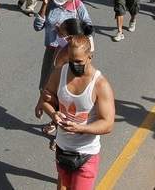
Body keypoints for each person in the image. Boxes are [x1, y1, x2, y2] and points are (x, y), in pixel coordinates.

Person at [37, 34, 116, 190]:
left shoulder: (100, 85)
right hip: (62, 148)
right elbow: (45, 100)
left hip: (86, 154)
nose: (74, 65)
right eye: (71, 60)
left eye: (79, 61)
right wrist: (54, 114)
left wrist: (81, 129)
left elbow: (108, 124)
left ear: (90, 57)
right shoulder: (60, 73)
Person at [33, 0, 91, 86]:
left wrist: (69, 33)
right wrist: (44, 4)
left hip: (71, 52)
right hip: (51, 52)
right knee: (46, 86)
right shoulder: (50, 3)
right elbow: (37, 26)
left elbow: (89, 28)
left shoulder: (77, 5)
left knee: (67, 87)